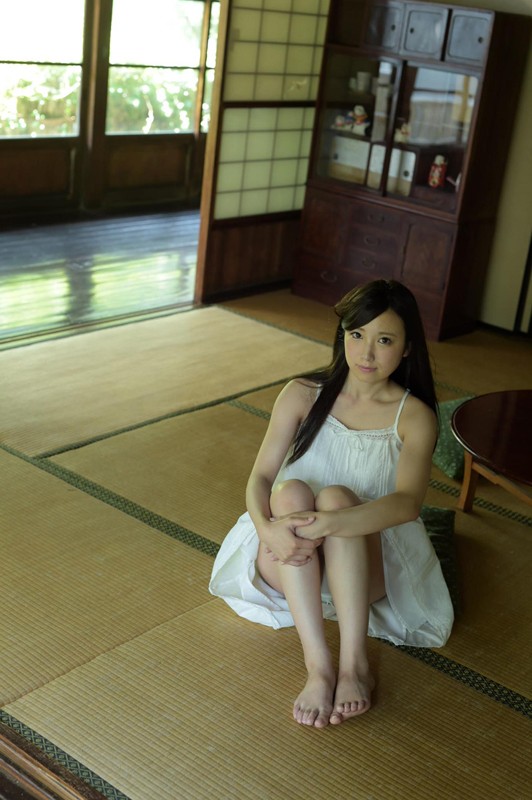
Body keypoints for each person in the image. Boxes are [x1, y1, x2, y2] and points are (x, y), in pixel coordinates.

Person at [209, 280, 454, 729]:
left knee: (338, 499)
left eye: (384, 340)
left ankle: (354, 665)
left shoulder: (413, 415)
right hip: (287, 555)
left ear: (406, 348)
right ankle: (319, 667)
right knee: (289, 491)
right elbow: (260, 478)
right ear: (342, 335)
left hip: (366, 567)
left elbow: (406, 505)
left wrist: (329, 523)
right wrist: (266, 529)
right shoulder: (302, 393)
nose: (366, 353)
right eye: (356, 334)